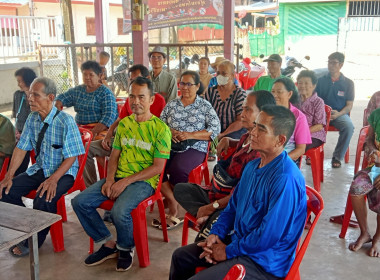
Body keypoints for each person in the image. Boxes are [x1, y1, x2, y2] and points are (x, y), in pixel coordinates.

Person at [169, 105, 307, 280]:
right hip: (241, 244)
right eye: (255, 125)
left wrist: (227, 251)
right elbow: (232, 208)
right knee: (181, 257)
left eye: (261, 129)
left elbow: (268, 236)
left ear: (280, 140)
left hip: (263, 261)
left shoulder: (285, 179)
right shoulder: (252, 166)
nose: (253, 132)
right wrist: (216, 234)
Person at [72, 77, 171, 271]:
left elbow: (158, 167)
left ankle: (126, 247)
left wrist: (124, 182)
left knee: (119, 211)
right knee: (80, 202)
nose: (136, 101)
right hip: (119, 177)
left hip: (144, 182)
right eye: (132, 96)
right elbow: (114, 156)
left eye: (142, 97)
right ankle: (109, 244)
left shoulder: (161, 129)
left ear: (151, 100)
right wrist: (110, 180)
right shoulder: (124, 124)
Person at [173, 90, 276, 241]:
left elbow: (239, 195)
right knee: (181, 189)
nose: (243, 113)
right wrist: (228, 139)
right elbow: (240, 145)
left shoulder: (258, 153)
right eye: (243, 108)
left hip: (233, 203)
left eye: (248, 109)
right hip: (218, 193)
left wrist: (212, 206)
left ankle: (211, 216)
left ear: (262, 114)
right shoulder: (247, 136)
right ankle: (210, 216)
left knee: (203, 242)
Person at [0, 77, 85, 257]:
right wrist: (9, 175)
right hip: (40, 168)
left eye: (36, 95)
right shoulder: (32, 118)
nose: (30, 99)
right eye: (30, 94)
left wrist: (54, 179)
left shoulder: (65, 121)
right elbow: (22, 147)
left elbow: (71, 157)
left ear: (50, 97)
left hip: (64, 172)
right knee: (5, 191)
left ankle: (34, 241)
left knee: (43, 197)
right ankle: (28, 227)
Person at [154, 71, 220, 229]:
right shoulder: (172, 104)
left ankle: (173, 204)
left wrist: (190, 135)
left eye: (189, 84)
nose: (185, 87)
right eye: (182, 83)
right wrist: (171, 132)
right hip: (170, 144)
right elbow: (159, 125)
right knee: (154, 165)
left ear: (197, 86)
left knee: (179, 168)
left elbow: (215, 129)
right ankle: (172, 198)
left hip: (195, 146)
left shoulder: (204, 106)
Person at [82, 64, 157, 188]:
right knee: (87, 148)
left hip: (141, 144)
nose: (134, 82)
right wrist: (109, 134)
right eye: (131, 80)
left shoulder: (157, 100)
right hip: (121, 140)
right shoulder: (130, 100)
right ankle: (92, 186)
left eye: (137, 79)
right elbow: (120, 119)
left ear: (147, 78)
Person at [55, 60, 118, 139]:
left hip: (99, 130)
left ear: (99, 76)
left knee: (89, 145)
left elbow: (108, 117)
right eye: (85, 74)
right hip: (80, 129)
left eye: (91, 75)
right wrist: (58, 106)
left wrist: (92, 133)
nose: (87, 77)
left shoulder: (105, 93)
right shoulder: (78, 90)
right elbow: (62, 97)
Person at [348, 107, 380, 257]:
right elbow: (369, 139)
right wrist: (372, 150)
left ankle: (377, 239)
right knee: (356, 188)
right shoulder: (376, 115)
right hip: (376, 168)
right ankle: (365, 232)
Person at [316, 52, 355, 168]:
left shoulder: (348, 83)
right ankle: (311, 155)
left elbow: (349, 105)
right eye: (329, 62)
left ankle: (337, 157)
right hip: (321, 114)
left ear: (341, 65)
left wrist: (339, 114)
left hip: (339, 114)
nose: (330, 65)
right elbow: (314, 100)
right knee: (310, 124)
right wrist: (321, 113)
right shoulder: (320, 81)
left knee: (349, 127)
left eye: (334, 63)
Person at [271, 77, 311, 163]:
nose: (274, 95)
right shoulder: (267, 113)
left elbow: (301, 149)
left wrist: (278, 161)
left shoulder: (299, 117)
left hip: (284, 161)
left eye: (279, 92)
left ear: (289, 94)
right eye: (273, 91)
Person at [12, 67, 37, 173]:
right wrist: (16, 131)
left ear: (27, 80)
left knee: (24, 146)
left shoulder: (38, 96)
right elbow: (15, 115)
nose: (18, 84)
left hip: (34, 133)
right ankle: (14, 174)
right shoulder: (18, 95)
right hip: (20, 133)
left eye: (20, 81)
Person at [298, 70, 326, 153]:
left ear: (313, 85)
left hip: (313, 134)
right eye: (300, 83)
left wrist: (301, 132)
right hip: (296, 133)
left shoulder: (318, 102)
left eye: (306, 83)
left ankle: (291, 164)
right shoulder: (294, 99)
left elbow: (319, 126)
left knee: (296, 146)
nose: (302, 86)